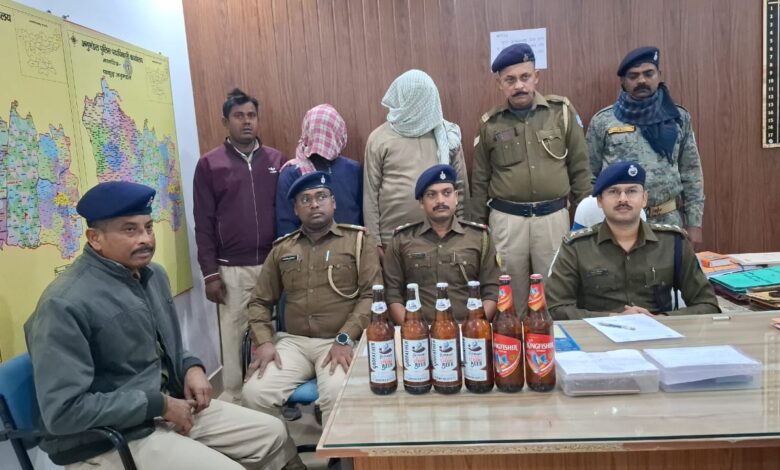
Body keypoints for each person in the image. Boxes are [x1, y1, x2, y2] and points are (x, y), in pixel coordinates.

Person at [24, 182, 303, 470]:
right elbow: (63, 412)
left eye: (148, 227)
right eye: (130, 230)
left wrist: (192, 368)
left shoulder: (152, 276)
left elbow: (165, 348)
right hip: (109, 437)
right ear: (95, 238)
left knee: (273, 432)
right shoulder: (64, 304)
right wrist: (162, 405)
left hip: (164, 406)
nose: (145, 239)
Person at [242, 171, 381, 430]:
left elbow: (372, 295)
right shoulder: (283, 249)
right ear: (296, 209)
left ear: (333, 203)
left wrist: (345, 338)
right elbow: (259, 301)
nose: (314, 204)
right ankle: (283, 453)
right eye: (305, 199)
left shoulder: (358, 241)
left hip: (339, 340)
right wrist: (264, 341)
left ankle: (337, 454)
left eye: (321, 196)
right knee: (254, 393)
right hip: (293, 344)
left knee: (339, 392)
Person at [470, 43, 591, 315]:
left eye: (525, 77)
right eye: (510, 80)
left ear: (536, 76)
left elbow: (580, 169)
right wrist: (477, 232)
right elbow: (479, 182)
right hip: (507, 221)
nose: (519, 86)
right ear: (500, 83)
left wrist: (587, 221)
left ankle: (553, 342)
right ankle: (513, 342)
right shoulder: (490, 124)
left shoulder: (561, 112)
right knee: (509, 299)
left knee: (555, 294)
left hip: (553, 218)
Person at [193, 88, 284, 403]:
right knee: (233, 336)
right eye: (239, 116)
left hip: (273, 264)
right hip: (230, 269)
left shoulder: (276, 160)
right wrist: (210, 274)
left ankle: (273, 394)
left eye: (251, 115)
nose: (247, 122)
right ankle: (234, 397)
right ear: (225, 121)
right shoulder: (210, 165)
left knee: (274, 331)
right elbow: (203, 223)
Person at [546, 162, 720, 320]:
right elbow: (554, 308)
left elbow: (708, 304)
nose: (623, 199)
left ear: (644, 198)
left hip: (660, 335)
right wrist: (613, 319)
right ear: (600, 201)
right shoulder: (576, 247)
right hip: (598, 337)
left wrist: (661, 319)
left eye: (631, 191)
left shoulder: (673, 243)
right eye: (613, 192)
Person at [587, 46, 706, 246]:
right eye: (633, 76)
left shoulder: (678, 118)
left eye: (648, 73)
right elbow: (589, 176)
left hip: (667, 222)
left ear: (659, 75)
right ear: (623, 81)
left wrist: (694, 223)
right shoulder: (603, 121)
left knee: (670, 268)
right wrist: (593, 219)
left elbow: (691, 173)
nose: (641, 80)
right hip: (618, 223)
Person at [364, 69, 470, 253]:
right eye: (413, 97)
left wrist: (463, 232)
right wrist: (375, 242)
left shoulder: (448, 136)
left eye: (423, 96)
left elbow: (460, 187)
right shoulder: (379, 138)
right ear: (401, 98)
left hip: (443, 236)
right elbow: (370, 194)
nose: (419, 102)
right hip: (393, 239)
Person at [383, 164, 501, 324]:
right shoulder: (402, 239)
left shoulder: (480, 237)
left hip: (469, 330)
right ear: (421, 202)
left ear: (456, 197)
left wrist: (476, 325)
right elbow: (392, 295)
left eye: (447, 193)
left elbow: (492, 291)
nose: (440, 200)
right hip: (418, 331)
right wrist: (412, 329)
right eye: (431, 195)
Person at [276, 104, 362, 237]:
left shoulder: (353, 169)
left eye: (328, 133)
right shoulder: (292, 173)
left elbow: (363, 215)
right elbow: (286, 227)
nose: (322, 138)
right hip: (309, 247)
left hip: (352, 245)